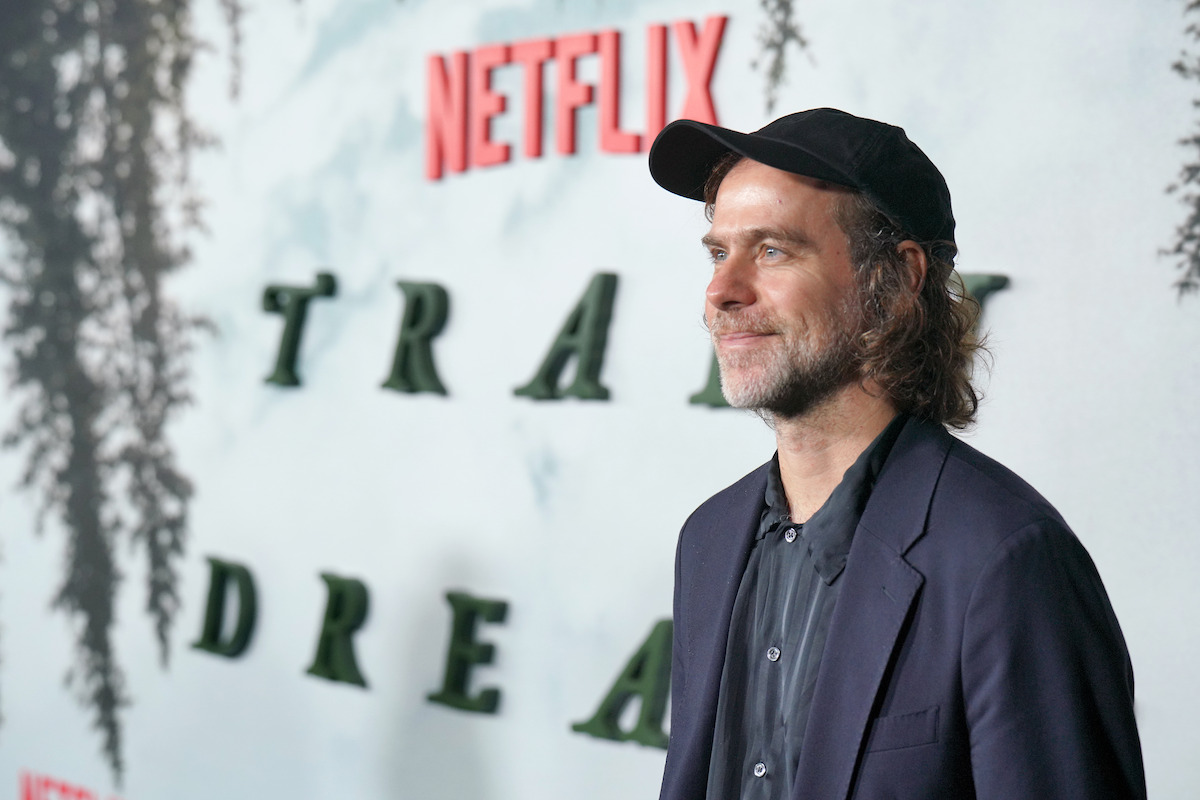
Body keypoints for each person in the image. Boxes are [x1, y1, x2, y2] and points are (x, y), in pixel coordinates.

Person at [647, 108, 1145, 800]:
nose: (721, 292)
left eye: (771, 251)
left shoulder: (1006, 558)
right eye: (717, 252)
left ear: (896, 278)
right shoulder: (708, 539)